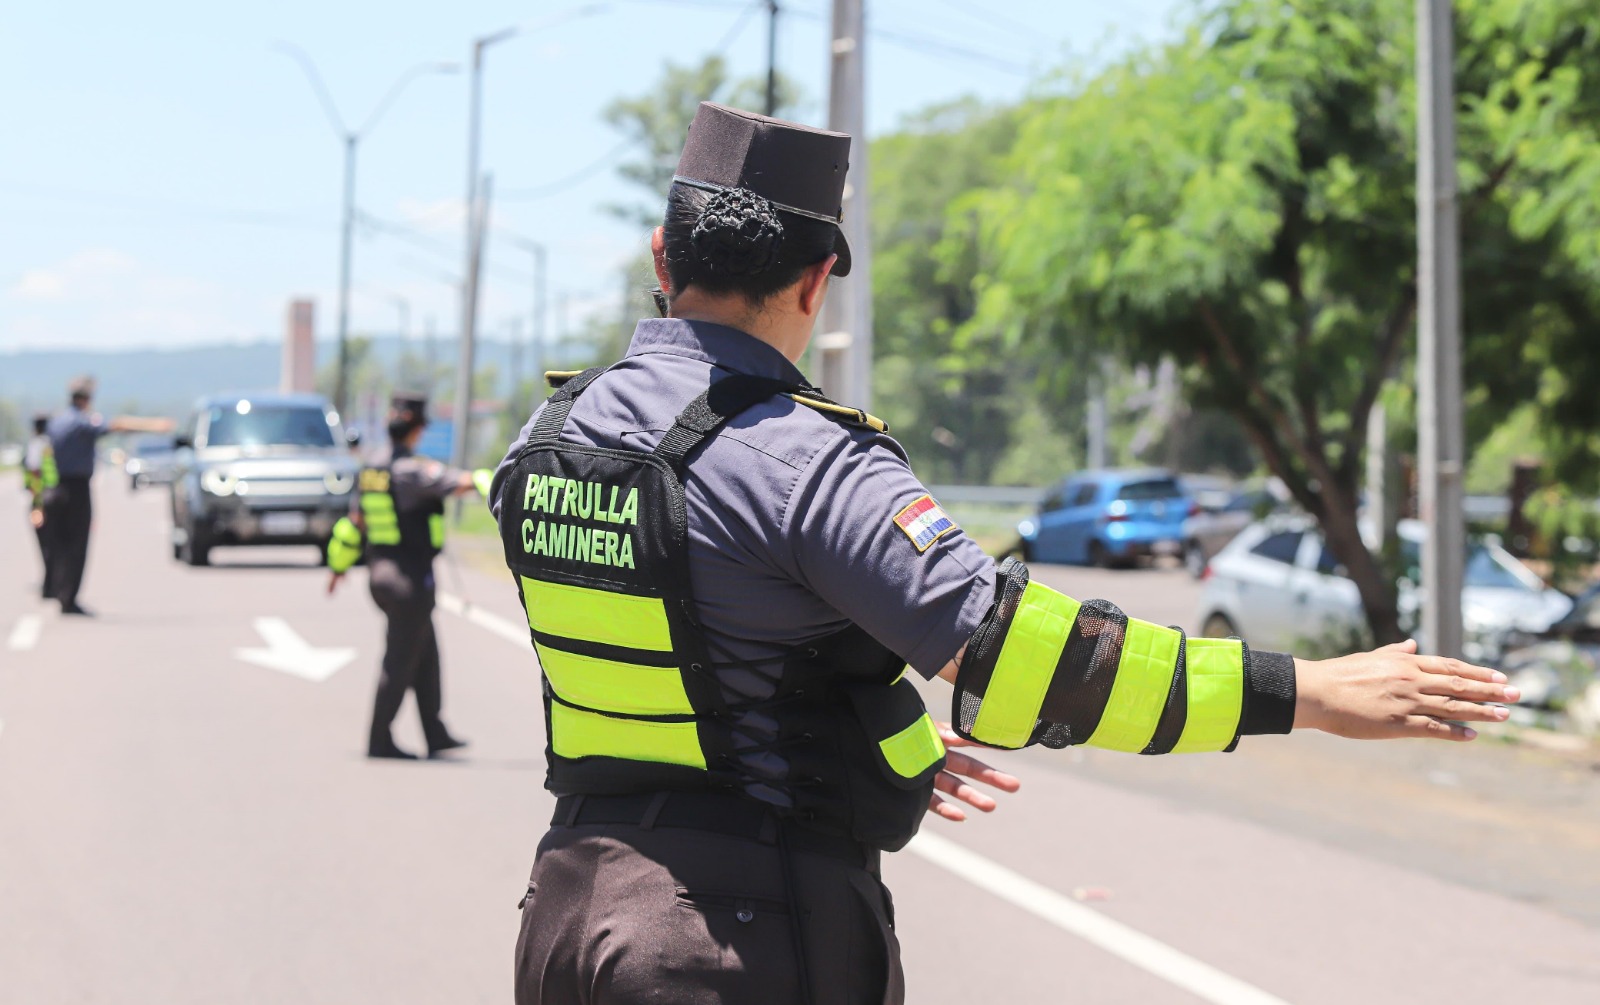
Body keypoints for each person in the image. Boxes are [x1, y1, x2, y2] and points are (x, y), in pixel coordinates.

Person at [487, 103, 1519, 1005]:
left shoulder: (545, 441)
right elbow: (1027, 656)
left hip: (571, 910)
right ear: (814, 283)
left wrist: (850, 741)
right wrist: (1310, 691)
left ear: (664, 263)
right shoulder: (800, 457)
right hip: (730, 936)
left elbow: (678, 642)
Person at [327, 393, 492, 760]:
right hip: (408, 584)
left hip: (381, 575)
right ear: (417, 430)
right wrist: (491, 479)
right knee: (399, 662)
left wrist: (339, 565)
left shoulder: (372, 468)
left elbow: (356, 523)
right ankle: (379, 740)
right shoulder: (412, 470)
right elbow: (458, 483)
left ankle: (435, 733)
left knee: (425, 654)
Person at [45, 378, 173, 615]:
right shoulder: (81, 421)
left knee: (59, 544)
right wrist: (154, 426)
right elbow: (117, 425)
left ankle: (56, 589)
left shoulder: (58, 421)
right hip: (77, 489)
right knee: (77, 545)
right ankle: (68, 598)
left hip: (56, 486)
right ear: (86, 400)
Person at [23, 413, 58, 599]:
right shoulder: (54, 443)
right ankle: (54, 583)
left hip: (42, 500)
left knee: (46, 545)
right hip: (58, 499)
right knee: (57, 543)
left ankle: (50, 585)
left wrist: (37, 505)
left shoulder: (37, 445)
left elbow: (35, 474)